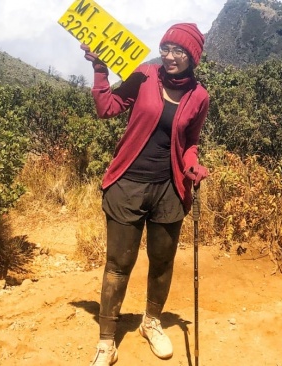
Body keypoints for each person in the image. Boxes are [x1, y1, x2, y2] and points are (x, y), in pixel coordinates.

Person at [81, 23, 210, 366]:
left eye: (178, 50)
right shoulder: (144, 75)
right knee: (118, 264)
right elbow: (107, 108)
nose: (169, 56)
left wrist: (193, 164)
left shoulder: (199, 96)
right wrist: (99, 70)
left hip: (170, 189)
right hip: (128, 185)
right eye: (166, 48)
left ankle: (150, 322)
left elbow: (191, 142)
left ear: (192, 56)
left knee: (162, 262)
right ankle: (107, 341)